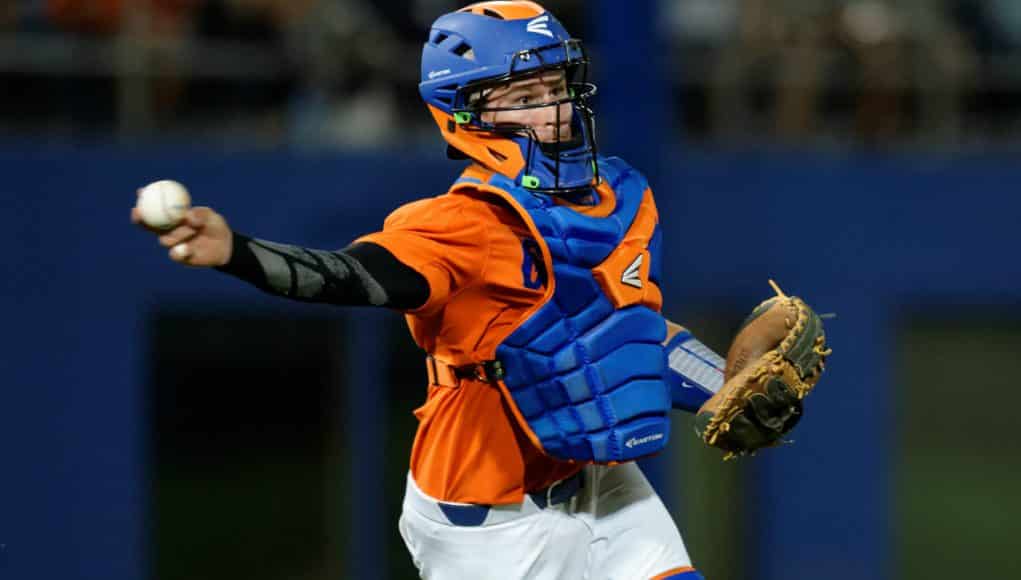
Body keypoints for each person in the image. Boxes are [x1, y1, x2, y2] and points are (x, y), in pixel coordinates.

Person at [133, 2, 725, 578]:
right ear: (464, 115)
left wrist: (720, 384)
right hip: (489, 518)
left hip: (600, 479)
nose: (555, 111)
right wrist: (238, 253)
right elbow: (349, 276)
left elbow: (623, 328)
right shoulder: (464, 224)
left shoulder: (618, 199)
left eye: (557, 86)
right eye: (525, 97)